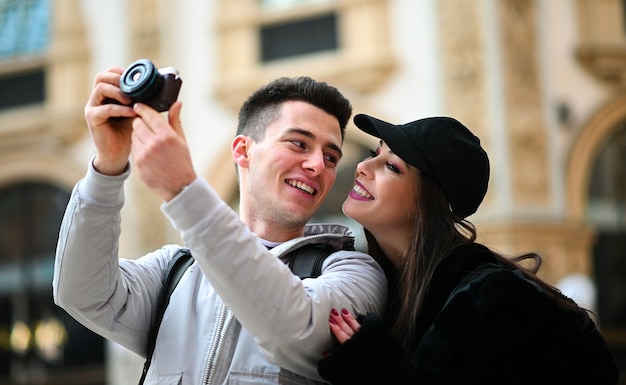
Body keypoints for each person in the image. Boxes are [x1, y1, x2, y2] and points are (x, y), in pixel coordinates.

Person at [52, 67, 387, 384]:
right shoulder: (175, 271)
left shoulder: (355, 272)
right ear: (243, 151)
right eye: (298, 143)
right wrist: (107, 167)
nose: (317, 165)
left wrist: (183, 190)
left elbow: (295, 331)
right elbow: (81, 294)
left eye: (331, 157)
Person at [317, 114, 619, 384]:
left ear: (428, 204)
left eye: (392, 166)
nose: (362, 167)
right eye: (374, 153)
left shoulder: (496, 299)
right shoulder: (388, 288)